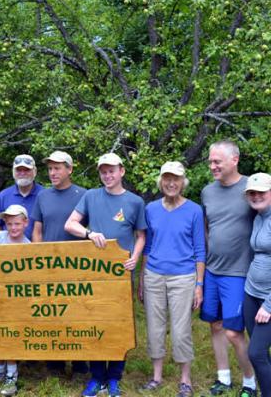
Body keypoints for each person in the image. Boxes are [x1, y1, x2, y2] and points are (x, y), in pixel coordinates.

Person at [65, 152, 146, 397]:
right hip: (94, 275)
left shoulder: (135, 202)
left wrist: (135, 257)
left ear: (121, 171)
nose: (107, 175)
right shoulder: (91, 196)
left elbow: (141, 235)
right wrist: (89, 233)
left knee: (118, 326)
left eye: (111, 170)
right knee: (95, 324)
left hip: (120, 275)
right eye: (103, 171)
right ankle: (96, 377)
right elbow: (70, 224)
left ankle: (114, 378)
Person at [138, 162, 205, 397]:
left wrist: (199, 284)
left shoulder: (195, 210)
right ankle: (156, 376)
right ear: (161, 181)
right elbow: (147, 246)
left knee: (181, 329)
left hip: (183, 278)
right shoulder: (151, 209)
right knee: (154, 327)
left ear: (183, 182)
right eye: (167, 178)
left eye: (176, 178)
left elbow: (200, 250)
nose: (171, 183)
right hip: (154, 275)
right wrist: (142, 280)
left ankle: (185, 380)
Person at [200, 140, 256, 397]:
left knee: (234, 332)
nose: (212, 166)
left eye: (217, 161)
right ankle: (224, 378)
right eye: (210, 161)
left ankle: (250, 381)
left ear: (234, 160)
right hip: (213, 270)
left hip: (239, 272)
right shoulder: (207, 192)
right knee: (215, 325)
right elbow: (209, 228)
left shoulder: (251, 189)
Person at [32, 150, 88, 377]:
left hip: (77, 267)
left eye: (57, 168)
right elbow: (37, 231)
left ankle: (80, 362)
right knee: (52, 313)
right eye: (50, 168)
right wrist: (39, 259)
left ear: (70, 169)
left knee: (78, 314)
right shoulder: (43, 196)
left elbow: (88, 230)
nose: (53, 173)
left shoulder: (84, 195)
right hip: (49, 268)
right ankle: (54, 363)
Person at [0, 204, 30, 396]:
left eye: (17, 223)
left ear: (25, 223)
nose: (13, 228)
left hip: (16, 299)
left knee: (11, 334)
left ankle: (12, 374)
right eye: (9, 224)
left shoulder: (27, 246)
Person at [243, 173, 271, 397]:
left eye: (261, 191)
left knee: (256, 353)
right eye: (252, 192)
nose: (256, 196)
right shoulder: (258, 216)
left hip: (268, 300)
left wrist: (269, 305)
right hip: (252, 293)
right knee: (261, 352)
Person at [0, 154, 44, 240]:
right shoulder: (3, 196)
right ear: (13, 172)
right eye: (18, 170)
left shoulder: (44, 195)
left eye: (27, 170)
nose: (22, 173)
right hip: (9, 250)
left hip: (38, 250)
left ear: (35, 171)